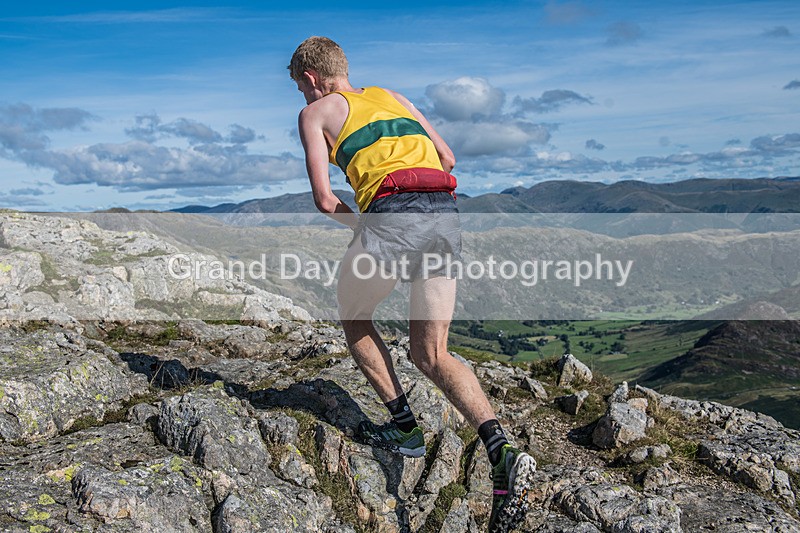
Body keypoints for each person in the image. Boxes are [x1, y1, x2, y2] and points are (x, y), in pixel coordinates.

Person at [289, 36, 536, 532]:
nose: (303, 98)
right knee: (433, 353)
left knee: (355, 317)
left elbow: (323, 199)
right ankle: (501, 451)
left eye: (300, 88)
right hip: (444, 216)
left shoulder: (315, 115)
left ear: (312, 79)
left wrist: (368, 225)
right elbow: (446, 158)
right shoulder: (395, 98)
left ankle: (406, 433)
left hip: (391, 215)